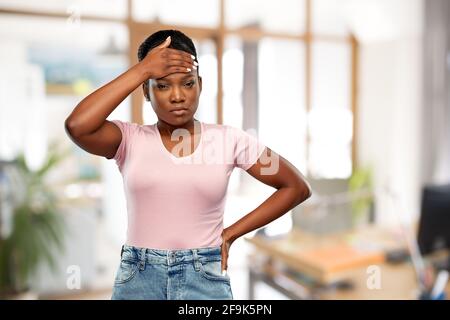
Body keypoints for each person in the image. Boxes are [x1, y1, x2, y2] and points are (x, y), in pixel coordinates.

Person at [65, 29, 311, 300]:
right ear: (146, 92)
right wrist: (143, 70)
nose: (178, 96)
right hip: (139, 277)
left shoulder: (229, 140)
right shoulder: (128, 139)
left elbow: (295, 187)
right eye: (162, 85)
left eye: (188, 83)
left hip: (204, 277)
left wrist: (230, 234)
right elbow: (78, 126)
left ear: (200, 84)